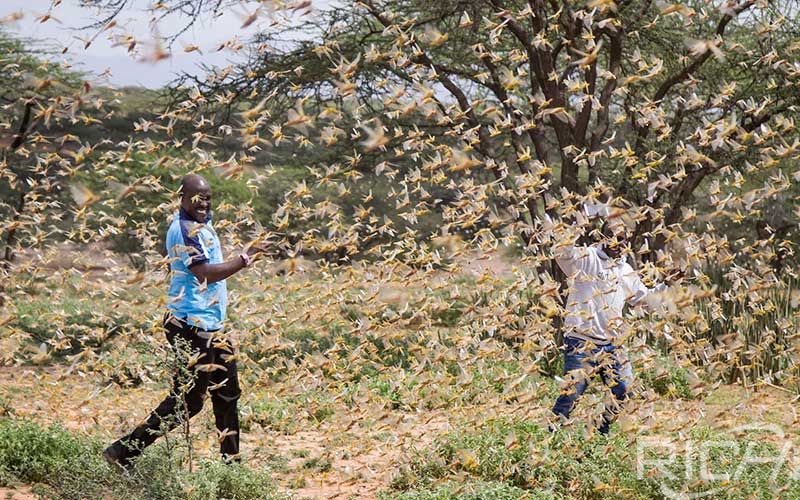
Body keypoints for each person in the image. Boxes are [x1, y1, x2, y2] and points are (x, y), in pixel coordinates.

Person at [103, 173, 265, 471]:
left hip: (211, 326)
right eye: (197, 197)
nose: (203, 202)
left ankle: (232, 467)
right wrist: (243, 259)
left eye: (207, 197)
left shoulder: (203, 225)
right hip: (190, 326)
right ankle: (122, 452)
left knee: (228, 393)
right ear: (183, 197)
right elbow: (204, 273)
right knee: (188, 402)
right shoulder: (185, 229)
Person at [547, 202, 676, 435]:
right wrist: (582, 216)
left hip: (612, 344)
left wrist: (667, 284)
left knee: (623, 391)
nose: (618, 244)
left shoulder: (625, 270)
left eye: (622, 239)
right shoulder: (586, 259)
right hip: (581, 341)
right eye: (612, 237)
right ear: (602, 238)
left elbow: (644, 298)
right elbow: (561, 250)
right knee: (573, 392)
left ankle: (600, 432)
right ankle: (550, 437)